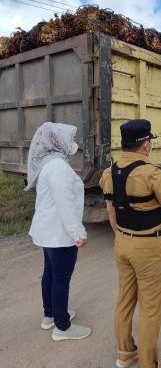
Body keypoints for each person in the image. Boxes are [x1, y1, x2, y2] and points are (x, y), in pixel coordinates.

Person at [99, 119, 161, 368]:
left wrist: (124, 237)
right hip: (149, 248)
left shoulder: (109, 173)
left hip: (122, 244)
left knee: (125, 300)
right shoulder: (151, 173)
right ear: (145, 144)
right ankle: (149, 365)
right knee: (150, 309)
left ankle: (125, 355)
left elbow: (112, 212)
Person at [26, 122, 91, 341]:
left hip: (49, 231)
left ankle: (50, 315)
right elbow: (66, 205)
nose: (72, 143)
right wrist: (78, 233)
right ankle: (62, 327)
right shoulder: (58, 168)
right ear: (58, 141)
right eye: (69, 138)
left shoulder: (49, 163)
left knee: (51, 274)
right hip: (59, 233)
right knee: (61, 278)